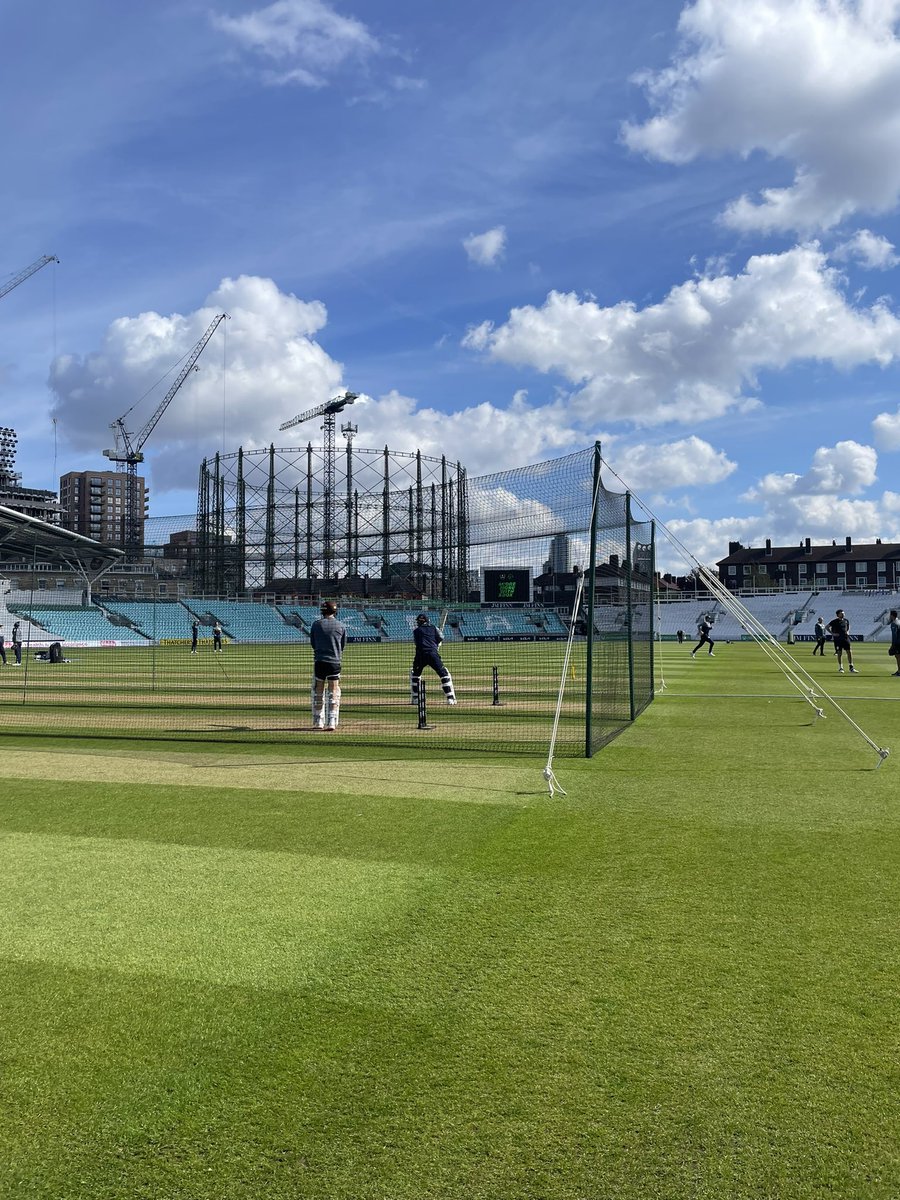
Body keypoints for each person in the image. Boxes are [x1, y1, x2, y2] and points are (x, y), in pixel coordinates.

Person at [309, 600, 346, 731]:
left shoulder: (316, 625)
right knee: (333, 691)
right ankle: (331, 720)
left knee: (318, 691)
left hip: (320, 661)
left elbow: (313, 643)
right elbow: (342, 646)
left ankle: (319, 721)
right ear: (335, 611)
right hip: (335, 662)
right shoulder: (340, 625)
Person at [410, 613, 457, 704]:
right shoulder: (434, 628)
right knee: (443, 674)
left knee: (415, 675)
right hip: (432, 654)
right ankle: (450, 698)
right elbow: (441, 637)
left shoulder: (416, 631)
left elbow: (417, 642)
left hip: (420, 655)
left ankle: (416, 699)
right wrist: (436, 644)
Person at [826, 608, 857, 674]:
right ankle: (841, 667)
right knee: (839, 653)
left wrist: (848, 631)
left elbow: (848, 626)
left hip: (846, 638)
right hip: (838, 639)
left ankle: (851, 667)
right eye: (841, 613)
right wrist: (832, 633)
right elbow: (827, 627)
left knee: (849, 652)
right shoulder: (834, 621)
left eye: (843, 613)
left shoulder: (846, 620)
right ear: (838, 615)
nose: (843, 614)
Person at [888, 609, 900, 677]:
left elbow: (894, 635)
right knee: (897, 656)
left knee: (898, 657)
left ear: (892, 616)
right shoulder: (899, 621)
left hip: (898, 643)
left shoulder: (894, 624)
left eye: (890, 615)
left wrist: (892, 646)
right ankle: (899, 670)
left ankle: (899, 671)